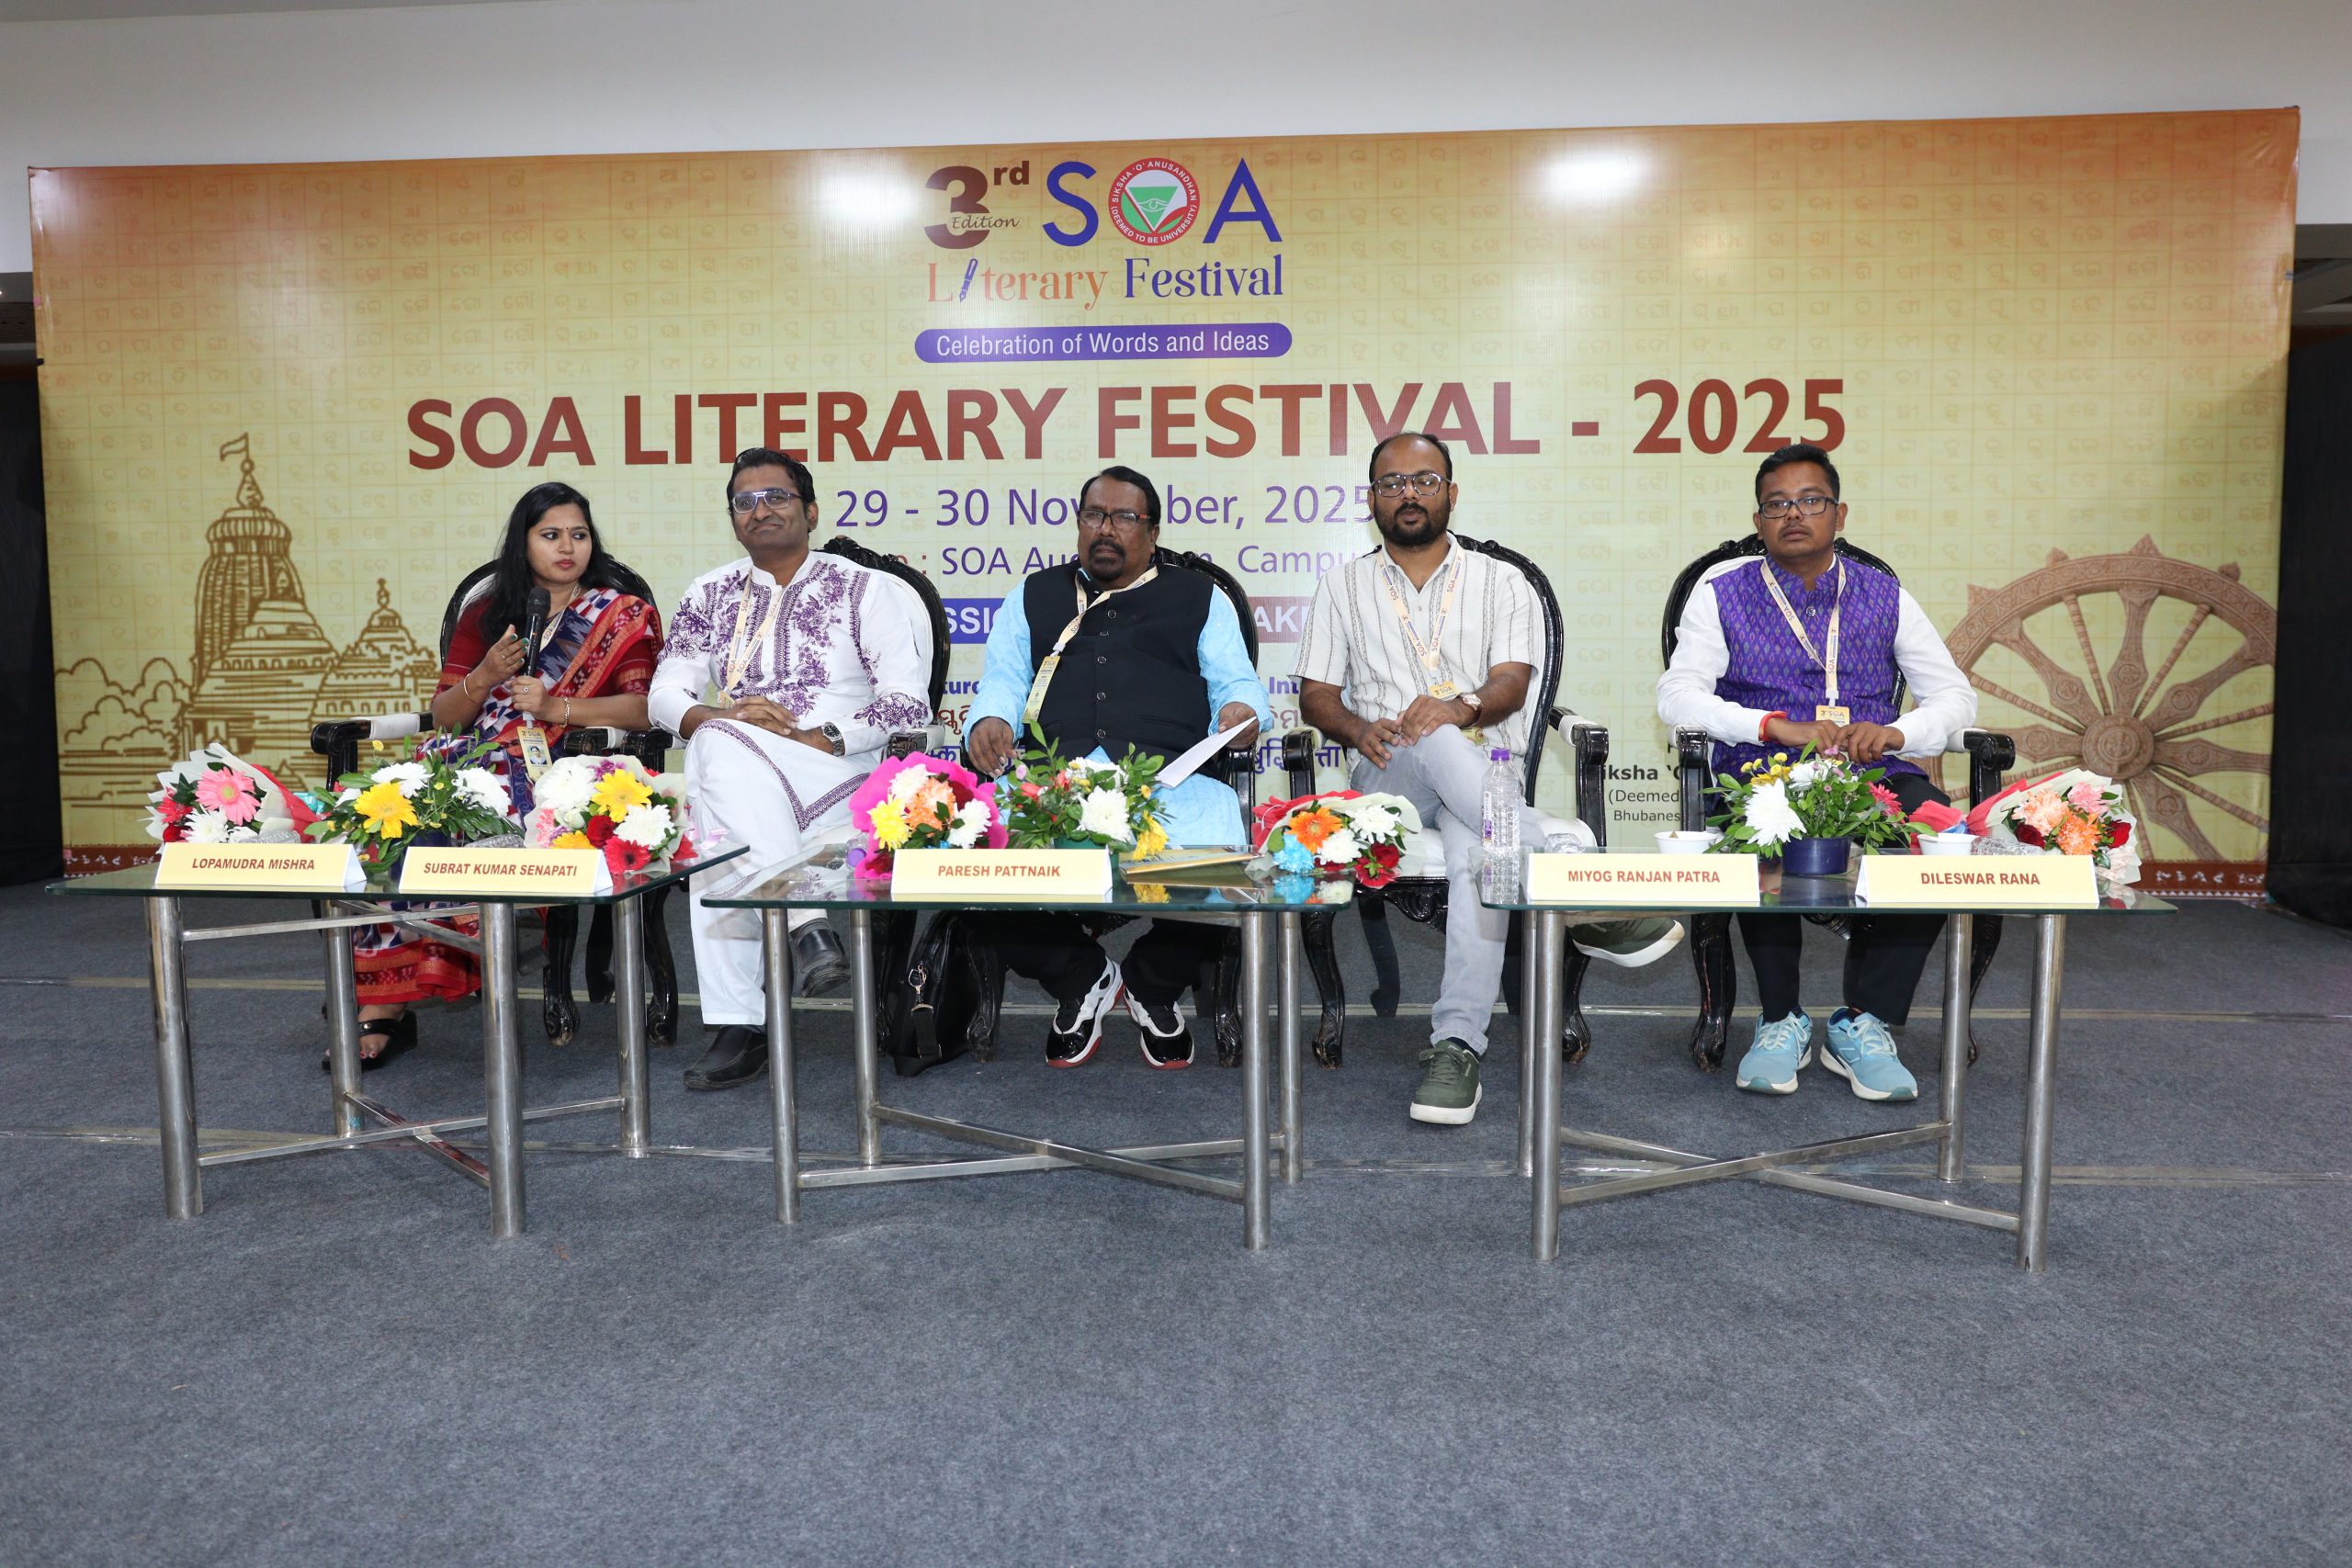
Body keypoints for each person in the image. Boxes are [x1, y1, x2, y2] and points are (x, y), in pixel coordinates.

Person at [1295, 432, 1684, 1126]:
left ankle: (1456, 1047)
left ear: (1451, 491)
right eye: (1391, 483)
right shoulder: (1342, 585)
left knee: (1484, 844)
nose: (1408, 493)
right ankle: (1581, 886)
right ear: (1371, 499)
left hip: (1485, 779)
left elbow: (1510, 684)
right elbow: (1316, 695)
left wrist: (1461, 707)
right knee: (1434, 737)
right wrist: (1357, 728)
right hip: (1388, 777)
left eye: (1424, 480)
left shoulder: (1503, 582)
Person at [1657, 442, 1979, 1101]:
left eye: (1811, 501)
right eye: (1777, 505)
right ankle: (1781, 1020)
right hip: (1765, 767)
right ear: (1759, 520)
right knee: (1761, 831)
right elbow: (1677, 697)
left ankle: (1864, 1020)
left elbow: (1955, 699)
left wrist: (1898, 732)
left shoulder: (1885, 595)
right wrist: (1771, 725)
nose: (1794, 514)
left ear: (1839, 513)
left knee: (1934, 842)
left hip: (1871, 770)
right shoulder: (1720, 594)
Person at [964, 465, 1274, 1068]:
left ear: (1152, 533)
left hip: (1168, 785)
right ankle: (1081, 976)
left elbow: (1237, 682)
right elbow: (1002, 677)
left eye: (1124, 517)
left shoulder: (1199, 598)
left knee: (1219, 861)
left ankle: (1153, 983)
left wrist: (1243, 710)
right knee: (976, 862)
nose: (1105, 529)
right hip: (1053, 785)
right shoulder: (1032, 595)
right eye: (1094, 515)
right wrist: (989, 720)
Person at [345, 480, 663, 1069]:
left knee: (469, 805)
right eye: (550, 535)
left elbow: (644, 710)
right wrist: (486, 674)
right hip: (468, 759)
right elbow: (446, 716)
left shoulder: (623, 615)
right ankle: (387, 997)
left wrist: (556, 707)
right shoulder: (486, 615)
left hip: (566, 766)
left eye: (579, 535)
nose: (567, 547)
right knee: (391, 811)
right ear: (523, 544)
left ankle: (424, 973)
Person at [651, 447, 936, 1091]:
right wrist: (720, 720)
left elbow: (906, 702)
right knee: (720, 759)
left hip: (839, 771)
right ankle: (805, 927)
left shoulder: (865, 589)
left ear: (810, 511)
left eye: (776, 496)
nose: (761, 510)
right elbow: (664, 695)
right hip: (742, 767)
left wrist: (818, 736)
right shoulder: (709, 593)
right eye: (745, 502)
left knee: (718, 794)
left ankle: (741, 1025)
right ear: (733, 519)